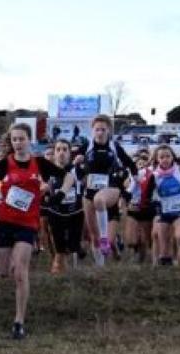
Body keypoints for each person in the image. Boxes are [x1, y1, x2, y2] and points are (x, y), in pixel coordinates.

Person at [0, 124, 75, 339]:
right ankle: (3, 260)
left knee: (21, 273)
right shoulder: (6, 163)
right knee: (4, 273)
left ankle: (19, 321)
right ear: (11, 142)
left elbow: (69, 178)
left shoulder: (39, 163)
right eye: (14, 140)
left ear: (29, 140)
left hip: (27, 224)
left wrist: (60, 194)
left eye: (22, 139)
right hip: (4, 221)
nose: (18, 143)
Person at [78, 115, 137, 266]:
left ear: (109, 130)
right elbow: (74, 171)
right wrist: (77, 166)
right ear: (92, 131)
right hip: (88, 192)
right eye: (97, 129)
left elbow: (133, 167)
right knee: (93, 236)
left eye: (103, 129)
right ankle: (100, 268)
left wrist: (129, 189)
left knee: (100, 199)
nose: (100, 133)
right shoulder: (86, 147)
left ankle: (106, 237)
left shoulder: (114, 147)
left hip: (111, 189)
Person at [44, 139, 84, 273]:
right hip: (56, 213)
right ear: (54, 153)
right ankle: (58, 267)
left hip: (75, 213)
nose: (61, 153)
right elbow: (46, 190)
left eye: (65, 149)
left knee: (73, 246)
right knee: (59, 245)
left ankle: (73, 266)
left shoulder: (77, 170)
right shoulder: (48, 172)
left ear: (69, 153)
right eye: (58, 149)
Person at [123, 150, 155, 264]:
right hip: (133, 208)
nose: (141, 165)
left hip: (146, 209)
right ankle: (136, 252)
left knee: (144, 239)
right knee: (131, 240)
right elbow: (126, 188)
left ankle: (141, 261)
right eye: (138, 164)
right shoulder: (130, 176)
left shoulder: (152, 175)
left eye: (143, 163)